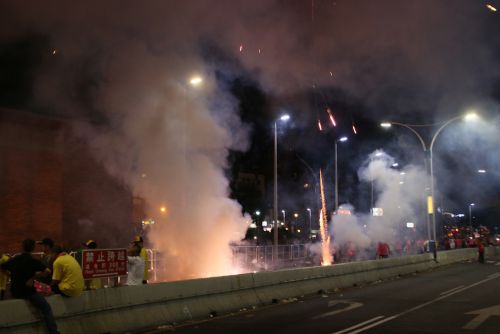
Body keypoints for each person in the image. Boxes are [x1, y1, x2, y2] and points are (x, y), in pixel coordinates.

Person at [1, 239, 59, 334]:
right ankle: (54, 332)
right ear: (33, 248)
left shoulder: (14, 259)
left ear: (22, 247)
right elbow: (48, 271)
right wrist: (33, 278)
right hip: (28, 292)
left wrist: (10, 275)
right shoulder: (33, 261)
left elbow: (2, 267)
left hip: (15, 291)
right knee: (46, 308)